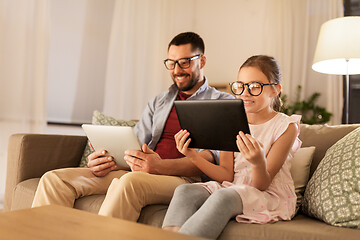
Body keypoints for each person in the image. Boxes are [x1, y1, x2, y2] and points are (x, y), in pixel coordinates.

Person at [31, 32, 233, 222]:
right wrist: (107, 159)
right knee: (54, 179)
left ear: (202, 60)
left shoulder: (220, 102)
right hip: (142, 172)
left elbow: (210, 158)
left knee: (129, 183)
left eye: (184, 62)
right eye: (171, 63)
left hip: (185, 180)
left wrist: (158, 166)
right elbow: (134, 145)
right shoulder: (160, 101)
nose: (177, 70)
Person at [162, 55, 302, 239]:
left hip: (268, 194)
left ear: (275, 90)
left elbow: (262, 185)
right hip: (234, 187)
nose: (245, 93)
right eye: (240, 86)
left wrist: (257, 162)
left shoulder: (285, 126)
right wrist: (192, 156)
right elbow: (226, 174)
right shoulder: (232, 120)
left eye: (254, 86)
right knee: (185, 190)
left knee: (224, 196)